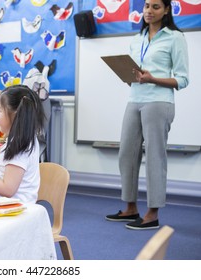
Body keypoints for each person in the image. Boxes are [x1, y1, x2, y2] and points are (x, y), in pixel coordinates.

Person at [105, 0, 189, 230]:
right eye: (146, 7)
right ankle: (130, 208)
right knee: (126, 154)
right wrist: (127, 74)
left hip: (159, 102)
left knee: (154, 157)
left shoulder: (175, 38)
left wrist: (152, 79)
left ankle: (152, 213)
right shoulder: (138, 39)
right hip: (135, 99)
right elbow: (136, 72)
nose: (149, 11)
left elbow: (182, 80)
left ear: (167, 10)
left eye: (155, 7)